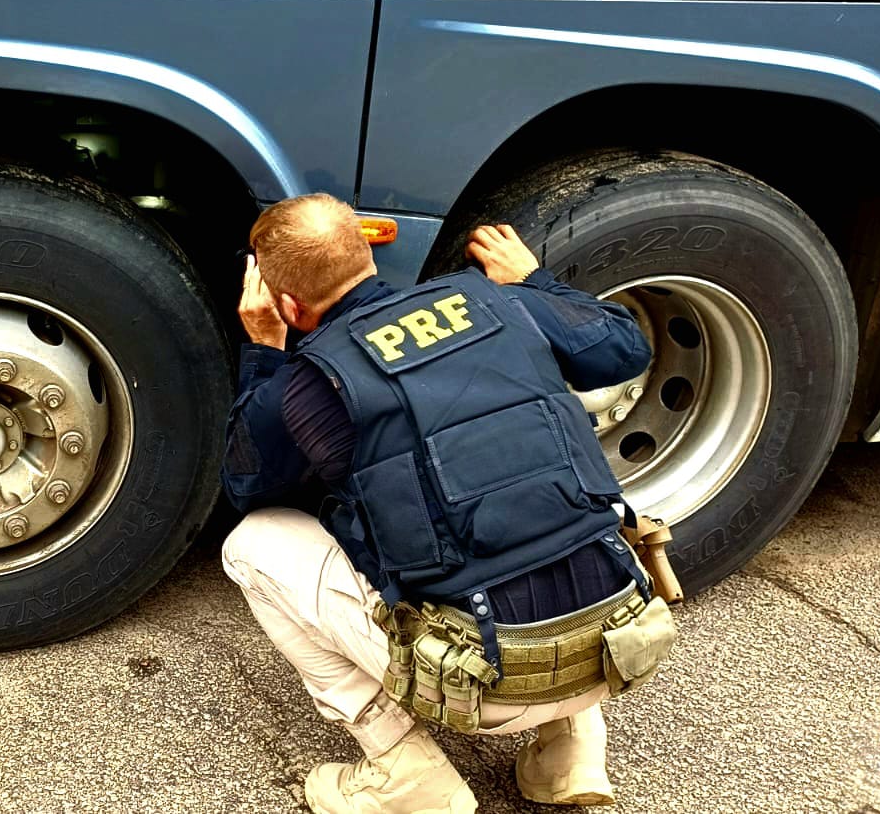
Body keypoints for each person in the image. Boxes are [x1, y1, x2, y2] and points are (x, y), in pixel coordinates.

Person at [220, 193, 671, 813]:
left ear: (289, 305)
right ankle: (570, 751)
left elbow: (248, 485)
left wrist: (265, 351)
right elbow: (623, 349)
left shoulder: (308, 383)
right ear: (368, 255)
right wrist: (533, 280)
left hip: (480, 681)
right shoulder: (502, 301)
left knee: (253, 544)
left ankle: (407, 776)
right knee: (535, 493)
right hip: (618, 641)